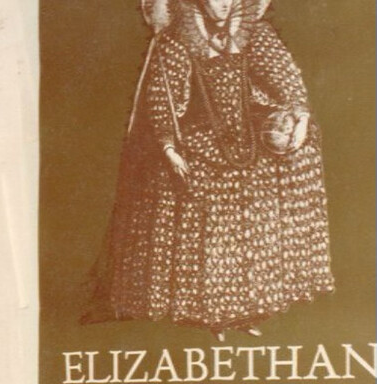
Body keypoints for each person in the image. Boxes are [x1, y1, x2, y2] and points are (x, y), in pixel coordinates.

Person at [83, 0, 333, 337]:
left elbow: (285, 79)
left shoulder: (254, 33)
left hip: (245, 135)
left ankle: (246, 309)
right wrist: (170, 147)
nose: (224, 4)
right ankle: (208, 313)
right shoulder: (177, 40)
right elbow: (163, 99)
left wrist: (298, 117)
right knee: (209, 211)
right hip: (196, 139)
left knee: (273, 181)